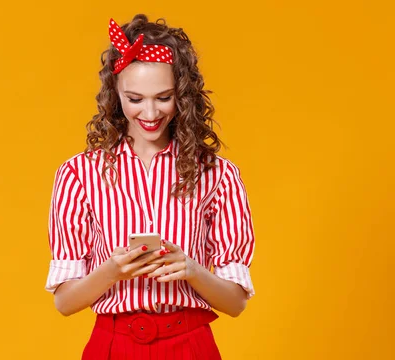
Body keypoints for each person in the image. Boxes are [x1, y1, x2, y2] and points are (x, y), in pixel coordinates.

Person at [45, 14, 255, 360]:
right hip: (113, 345)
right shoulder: (79, 174)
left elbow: (235, 304)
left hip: (190, 344)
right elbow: (65, 303)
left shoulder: (217, 174)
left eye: (164, 97)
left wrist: (192, 270)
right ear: (115, 95)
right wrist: (113, 269)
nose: (150, 112)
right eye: (135, 98)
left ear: (182, 96)